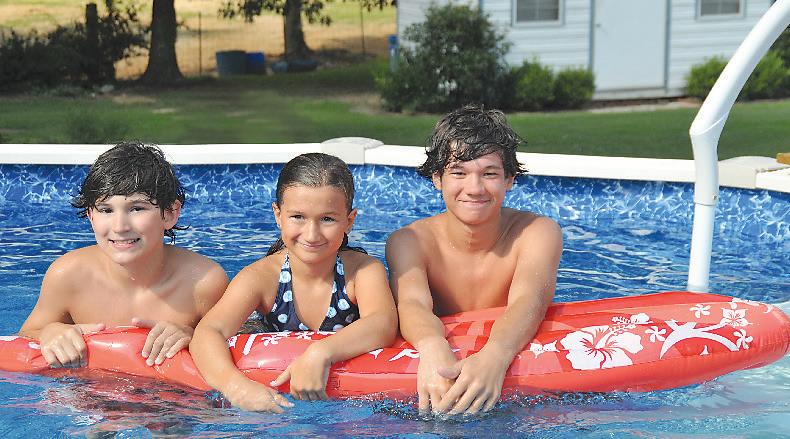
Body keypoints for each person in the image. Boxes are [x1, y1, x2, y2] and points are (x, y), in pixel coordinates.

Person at [386, 104, 563, 415]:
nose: (475, 188)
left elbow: (530, 300)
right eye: (459, 172)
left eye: (489, 173)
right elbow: (411, 303)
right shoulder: (410, 241)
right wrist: (431, 345)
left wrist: (496, 355)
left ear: (509, 179)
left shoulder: (536, 233)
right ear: (437, 178)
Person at [190, 152, 398, 413]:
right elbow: (208, 333)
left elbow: (383, 323)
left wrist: (321, 353)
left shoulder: (362, 271)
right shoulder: (262, 277)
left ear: (349, 221)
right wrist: (235, 387)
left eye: (327, 219)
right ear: (278, 215)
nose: (311, 234)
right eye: (298, 217)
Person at [18, 142, 229, 369]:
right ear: (90, 216)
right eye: (106, 210)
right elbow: (25, 336)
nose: (119, 226)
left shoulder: (203, 283)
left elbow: (243, 340)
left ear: (169, 213)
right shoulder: (68, 276)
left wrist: (193, 336)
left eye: (137, 208)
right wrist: (50, 332)